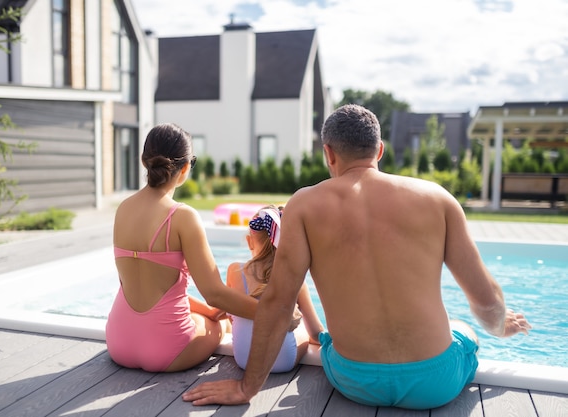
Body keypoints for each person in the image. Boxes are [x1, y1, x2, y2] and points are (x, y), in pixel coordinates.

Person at [182, 105, 532, 409]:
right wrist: (499, 326)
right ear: (379, 150)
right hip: (434, 384)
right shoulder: (437, 199)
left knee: (331, 339)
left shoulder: (304, 204)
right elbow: (485, 298)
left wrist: (248, 387)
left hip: (354, 380)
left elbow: (277, 301)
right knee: (464, 330)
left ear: (329, 154)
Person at [106, 123, 259, 373]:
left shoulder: (123, 209)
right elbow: (215, 294)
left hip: (118, 341)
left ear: (145, 161)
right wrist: (275, 314)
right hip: (166, 350)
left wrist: (208, 310)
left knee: (208, 314)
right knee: (222, 326)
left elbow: (151, 287)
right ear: (186, 167)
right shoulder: (182, 216)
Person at [227, 205, 323, 372]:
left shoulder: (235, 270)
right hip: (283, 361)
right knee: (301, 328)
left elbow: (231, 316)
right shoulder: (294, 277)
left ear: (250, 242)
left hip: (244, 359)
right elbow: (316, 334)